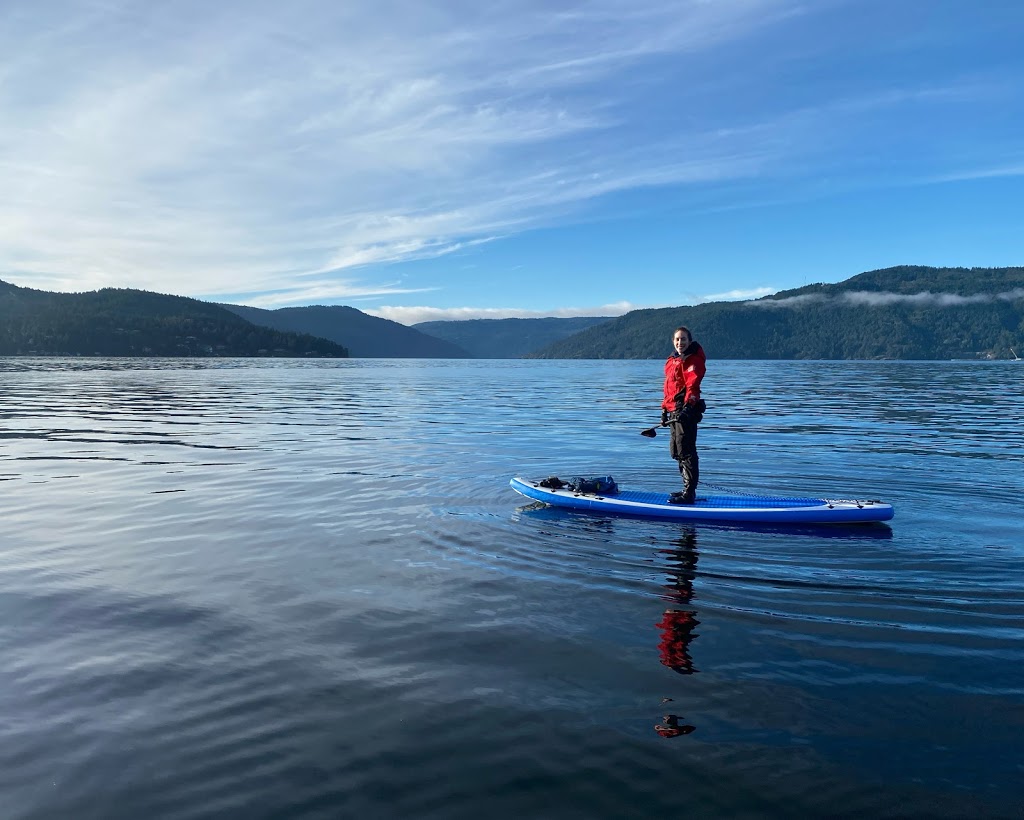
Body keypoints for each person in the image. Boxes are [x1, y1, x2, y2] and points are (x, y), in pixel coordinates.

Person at [661, 326, 706, 504]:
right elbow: (668, 389)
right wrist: (664, 409)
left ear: (690, 340)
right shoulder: (672, 361)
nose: (680, 342)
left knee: (687, 451)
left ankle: (689, 493)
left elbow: (692, 385)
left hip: (685, 410)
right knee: (677, 451)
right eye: (677, 339)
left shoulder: (693, 360)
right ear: (674, 341)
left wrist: (689, 406)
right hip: (673, 410)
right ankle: (685, 488)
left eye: (684, 339)